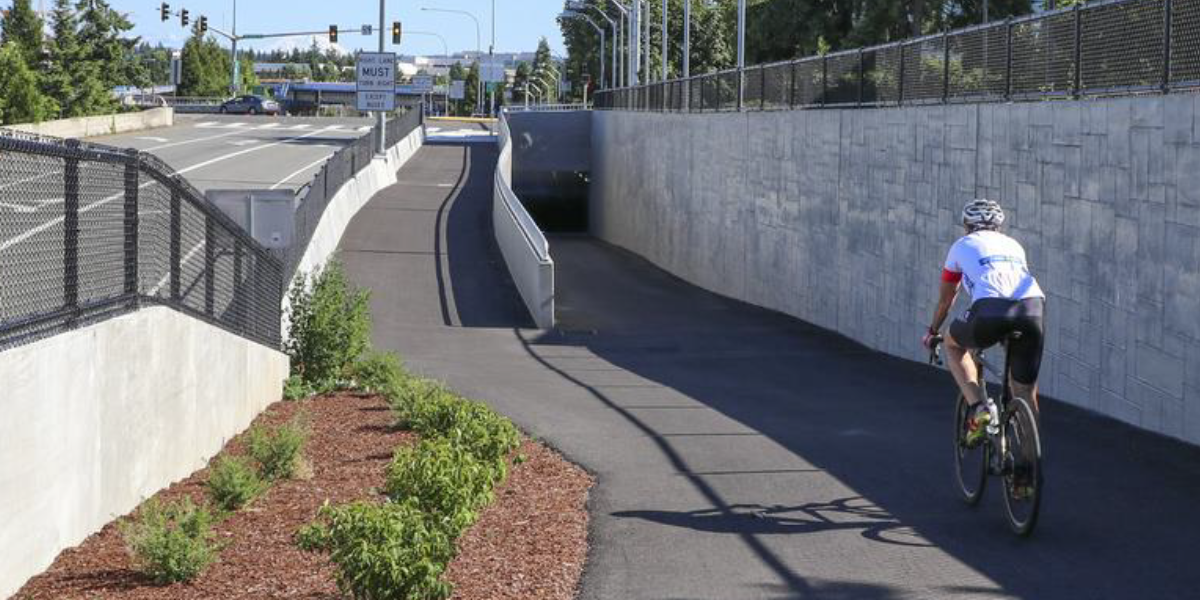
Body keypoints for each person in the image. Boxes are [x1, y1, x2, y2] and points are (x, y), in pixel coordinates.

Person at [922, 199, 1046, 446]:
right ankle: (1028, 469)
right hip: (1033, 309)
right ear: (999, 226)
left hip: (989, 309)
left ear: (967, 225)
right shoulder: (1014, 245)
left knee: (952, 343)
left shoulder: (961, 245)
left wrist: (932, 331)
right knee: (1025, 389)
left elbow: (947, 299)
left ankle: (980, 410)